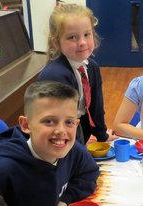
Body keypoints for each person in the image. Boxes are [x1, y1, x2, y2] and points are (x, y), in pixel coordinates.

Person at [38, 3, 116, 145]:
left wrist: (102, 135)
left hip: (78, 139)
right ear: (56, 42)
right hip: (57, 145)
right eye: (72, 37)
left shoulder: (91, 67)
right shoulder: (56, 75)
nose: (82, 42)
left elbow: (96, 107)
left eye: (87, 34)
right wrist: (80, 155)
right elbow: (60, 126)